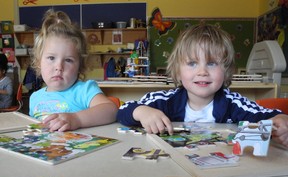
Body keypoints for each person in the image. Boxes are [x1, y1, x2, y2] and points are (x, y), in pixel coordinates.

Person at [117, 24, 288, 147]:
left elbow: (270, 115)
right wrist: (142, 112)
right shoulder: (163, 100)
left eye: (212, 63)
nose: (202, 71)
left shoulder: (234, 102)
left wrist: (281, 122)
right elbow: (123, 110)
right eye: (192, 63)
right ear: (177, 71)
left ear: (226, 70)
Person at [29, 9, 118, 131]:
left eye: (68, 60)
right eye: (51, 58)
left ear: (79, 66)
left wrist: (77, 119)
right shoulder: (35, 97)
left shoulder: (85, 91)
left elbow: (111, 110)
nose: (59, 67)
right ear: (39, 63)